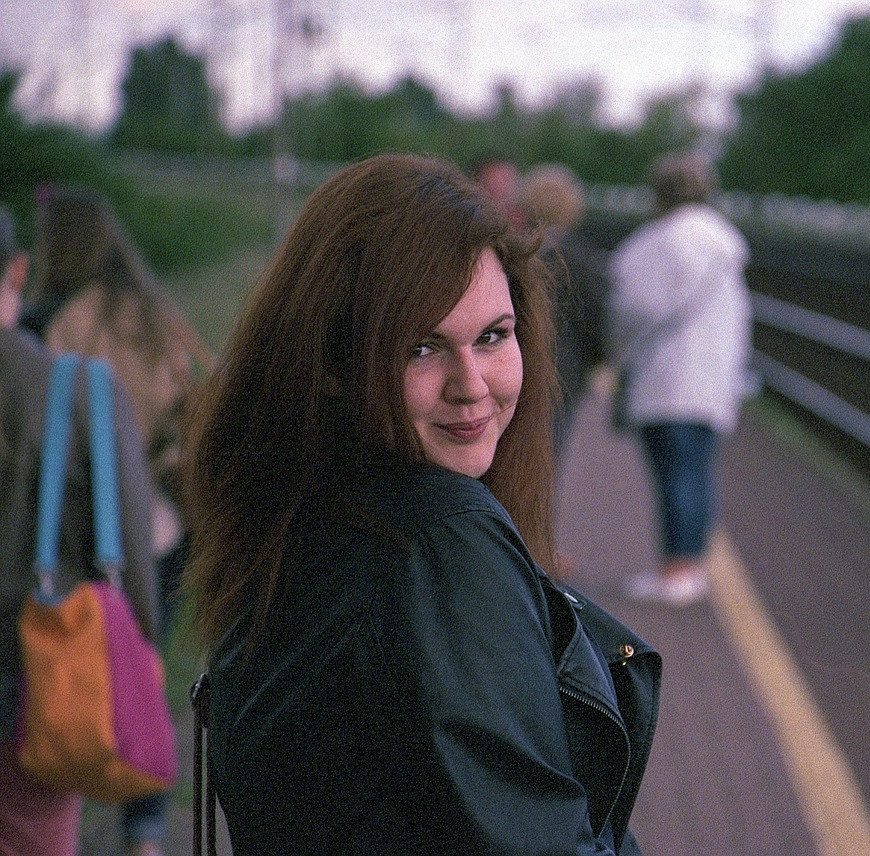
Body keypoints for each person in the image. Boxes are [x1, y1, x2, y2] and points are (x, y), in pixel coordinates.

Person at [183, 153, 661, 854]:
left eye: (493, 337)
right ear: (333, 362)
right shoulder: (441, 542)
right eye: (422, 348)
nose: (471, 384)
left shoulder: (297, 509)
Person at [23, 187, 210, 856]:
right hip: (160, 526)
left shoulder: (49, 322)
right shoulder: (153, 315)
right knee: (139, 672)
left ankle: (60, 805)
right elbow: (186, 404)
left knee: (63, 668)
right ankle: (147, 836)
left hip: (70, 534)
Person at [0, 205, 159, 856]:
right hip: (34, 682)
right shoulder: (78, 393)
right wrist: (140, 643)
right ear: (16, 270)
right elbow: (133, 552)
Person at [608, 152, 754, 607]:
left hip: (665, 377)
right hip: (711, 381)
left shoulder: (653, 244)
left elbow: (630, 308)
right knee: (697, 471)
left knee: (674, 474)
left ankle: (676, 572)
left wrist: (615, 353)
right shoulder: (726, 246)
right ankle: (690, 565)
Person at [521, 163, 610, 457]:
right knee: (548, 463)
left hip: (520, 368)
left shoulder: (520, 251)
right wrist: (598, 358)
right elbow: (597, 315)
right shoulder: (580, 256)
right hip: (564, 373)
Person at [471, 154, 527, 232]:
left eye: (508, 180)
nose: (509, 189)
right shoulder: (475, 227)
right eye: (501, 181)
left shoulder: (532, 224)